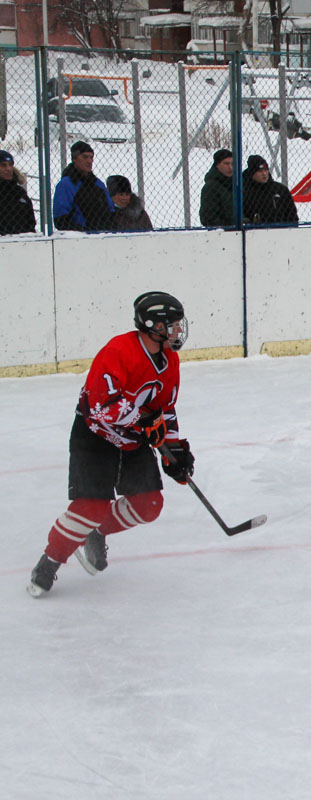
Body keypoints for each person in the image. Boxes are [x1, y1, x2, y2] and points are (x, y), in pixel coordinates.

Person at [27, 292, 194, 597]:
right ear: (153, 326)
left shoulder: (170, 360)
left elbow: (165, 409)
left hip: (132, 440)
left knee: (149, 504)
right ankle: (49, 562)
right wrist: (143, 423)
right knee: (91, 506)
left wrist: (175, 448)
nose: (177, 331)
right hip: (95, 435)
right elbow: (100, 407)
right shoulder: (118, 351)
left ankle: (95, 531)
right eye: (172, 325)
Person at [52, 140, 113, 232]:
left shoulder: (98, 184)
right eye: (84, 157)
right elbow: (60, 219)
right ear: (74, 159)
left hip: (103, 235)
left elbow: (111, 211)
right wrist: (82, 231)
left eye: (91, 157)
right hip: (79, 237)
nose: (89, 161)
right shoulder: (66, 185)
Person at [241, 154, 299, 226]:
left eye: (266, 170)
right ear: (252, 173)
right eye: (260, 171)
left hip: (281, 231)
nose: (264, 174)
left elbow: (292, 216)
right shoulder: (244, 191)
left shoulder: (280, 190)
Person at [0, 149, 37, 235]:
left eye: (10, 165)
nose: (8, 169)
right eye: (3, 165)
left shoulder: (20, 193)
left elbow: (30, 221)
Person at [200, 148, 235, 227]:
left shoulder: (237, 184)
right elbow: (208, 218)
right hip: (220, 233)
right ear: (217, 165)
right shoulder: (211, 187)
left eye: (232, 164)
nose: (230, 167)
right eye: (226, 163)